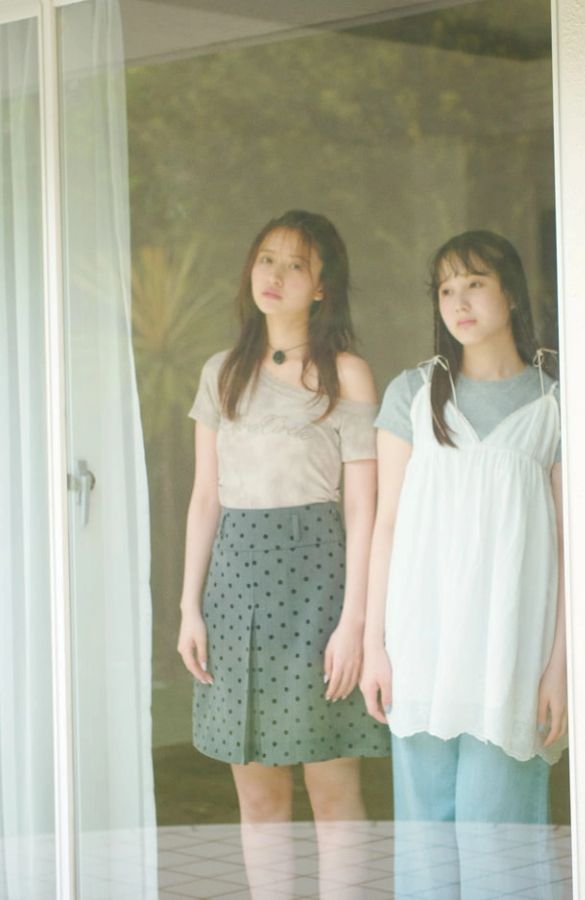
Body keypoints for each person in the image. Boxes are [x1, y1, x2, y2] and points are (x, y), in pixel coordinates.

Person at [177, 209, 389, 898]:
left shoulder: (347, 373)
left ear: (322, 286)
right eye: (267, 258)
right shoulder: (221, 372)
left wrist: (355, 623)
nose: (275, 274)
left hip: (318, 587)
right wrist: (189, 608)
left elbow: (363, 508)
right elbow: (205, 497)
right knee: (259, 798)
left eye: (296, 264)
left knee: (333, 789)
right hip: (234, 589)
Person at [361, 229, 569, 898]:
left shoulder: (555, 401)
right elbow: (385, 524)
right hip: (421, 646)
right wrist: (374, 646)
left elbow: (567, 544)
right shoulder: (413, 394)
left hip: (510, 650)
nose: (459, 301)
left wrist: (559, 665)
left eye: (475, 283)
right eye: (446, 289)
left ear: (512, 293)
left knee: (497, 833)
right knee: (426, 837)